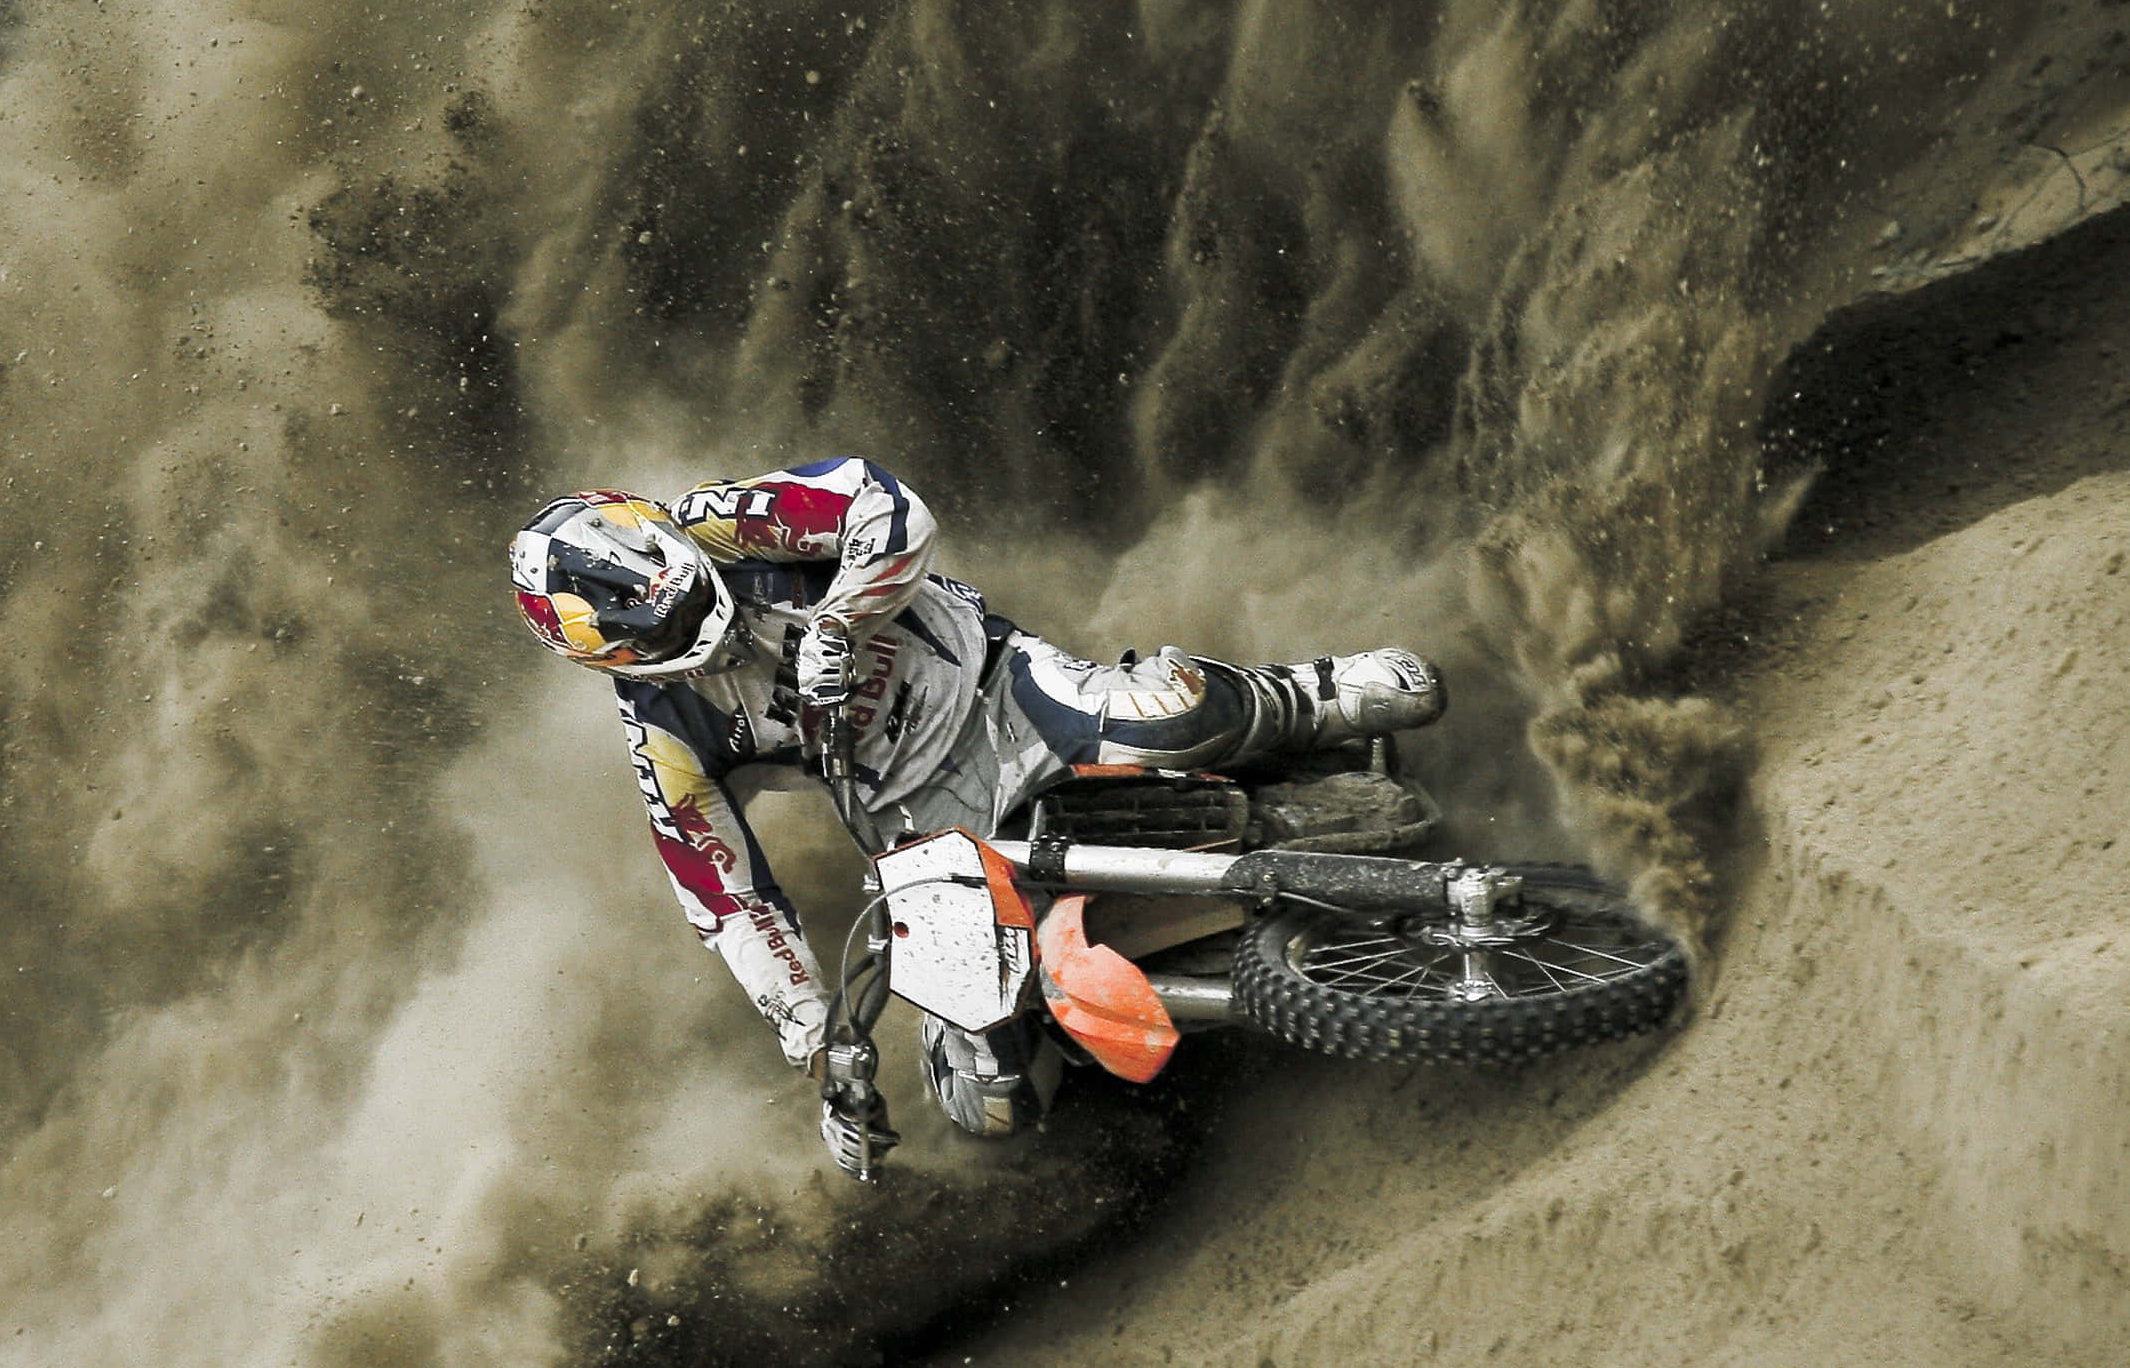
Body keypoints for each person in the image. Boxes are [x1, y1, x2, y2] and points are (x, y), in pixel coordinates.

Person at [507, 457, 1442, 1177]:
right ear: (610, 661)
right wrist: (820, 1043)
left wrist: (841, 618)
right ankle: (1112, 1045)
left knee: (1176, 718)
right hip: (917, 825)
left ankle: (1313, 697)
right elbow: (730, 904)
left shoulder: (730, 519)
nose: (690, 629)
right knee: (989, 1099)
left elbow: (888, 507)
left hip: (1000, 690)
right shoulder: (663, 735)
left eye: (683, 599)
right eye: (663, 636)